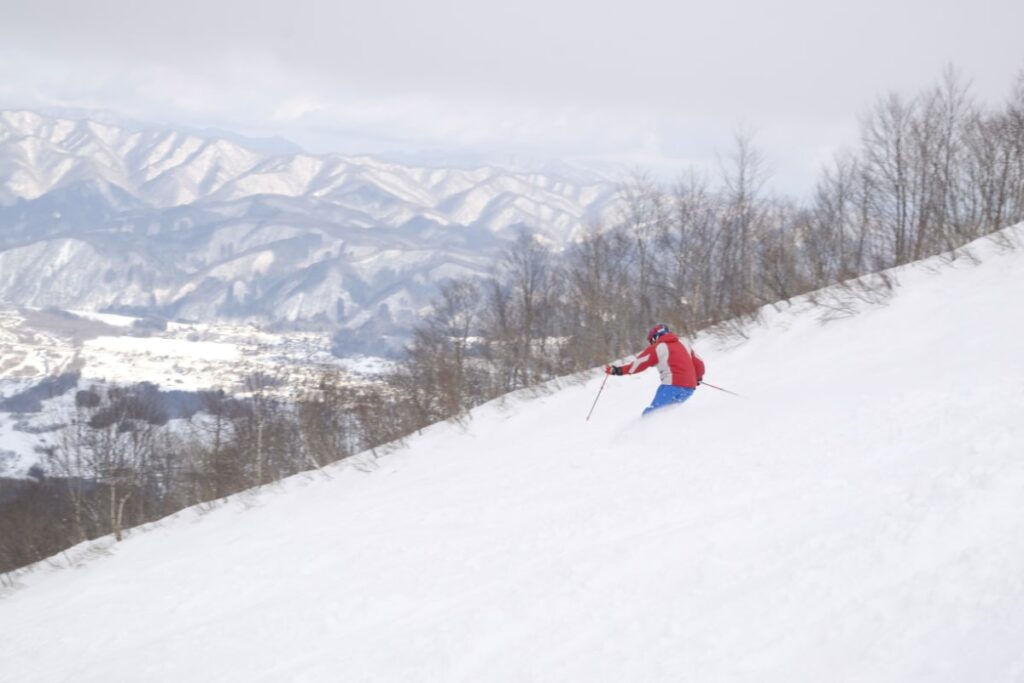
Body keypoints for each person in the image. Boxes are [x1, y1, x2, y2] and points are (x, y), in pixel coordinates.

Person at [605, 323, 705, 416]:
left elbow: (637, 365)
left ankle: (640, 432)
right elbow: (699, 363)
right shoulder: (684, 343)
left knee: (652, 414)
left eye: (651, 341)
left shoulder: (658, 347)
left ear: (656, 337)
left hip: (671, 386)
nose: (651, 344)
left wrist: (617, 370)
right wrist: (698, 377)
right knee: (668, 414)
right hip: (689, 389)